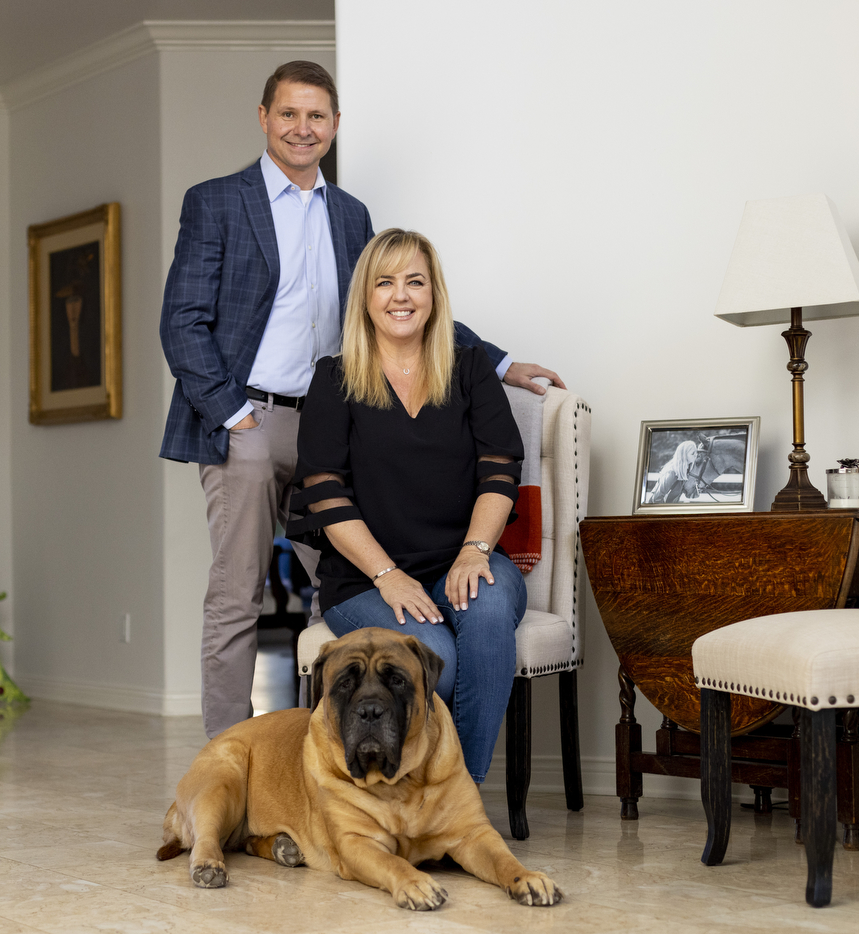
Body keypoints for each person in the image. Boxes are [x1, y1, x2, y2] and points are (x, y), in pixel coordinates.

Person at [159, 60, 563, 739]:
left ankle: (343, 762)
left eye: (317, 116)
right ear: (264, 118)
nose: (302, 128)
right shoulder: (218, 201)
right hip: (251, 419)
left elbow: (398, 302)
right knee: (238, 594)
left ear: (335, 126)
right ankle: (231, 758)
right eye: (288, 113)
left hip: (337, 417)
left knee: (352, 586)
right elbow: (182, 321)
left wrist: (495, 361)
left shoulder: (350, 214)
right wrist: (235, 414)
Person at [287, 228, 525, 784]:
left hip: (461, 559)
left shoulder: (469, 370)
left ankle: (456, 800)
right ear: (365, 297)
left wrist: (474, 552)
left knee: (488, 610)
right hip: (366, 580)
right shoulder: (334, 378)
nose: (401, 296)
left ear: (434, 294)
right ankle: (424, 800)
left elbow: (500, 470)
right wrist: (388, 575)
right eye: (385, 283)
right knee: (429, 661)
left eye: (415, 282)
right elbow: (325, 492)